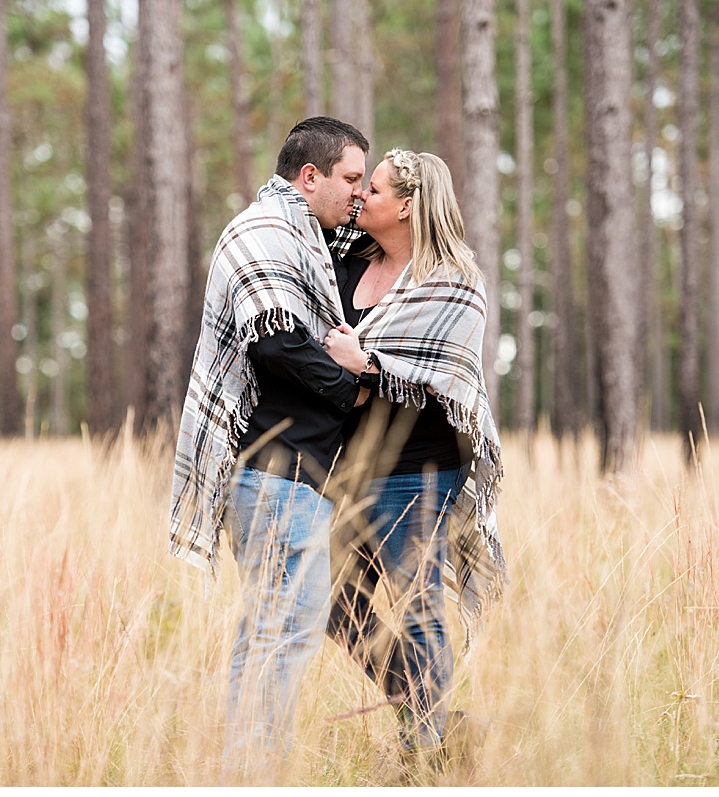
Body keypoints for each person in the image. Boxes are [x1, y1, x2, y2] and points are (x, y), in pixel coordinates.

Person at [168, 117, 371, 774]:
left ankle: (245, 767)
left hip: (283, 480)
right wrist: (354, 389)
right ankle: (258, 769)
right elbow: (276, 342)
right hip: (276, 475)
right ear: (308, 177)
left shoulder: (304, 238)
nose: (359, 194)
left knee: (269, 632)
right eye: (349, 179)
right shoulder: (263, 231)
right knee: (284, 635)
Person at [321, 149, 506, 764]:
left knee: (416, 603)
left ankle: (422, 752)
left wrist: (368, 365)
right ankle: (431, 714)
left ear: (406, 205)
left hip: (421, 468)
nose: (359, 199)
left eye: (370, 190)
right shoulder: (345, 262)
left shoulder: (454, 280)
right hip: (347, 467)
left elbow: (443, 376)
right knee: (327, 599)